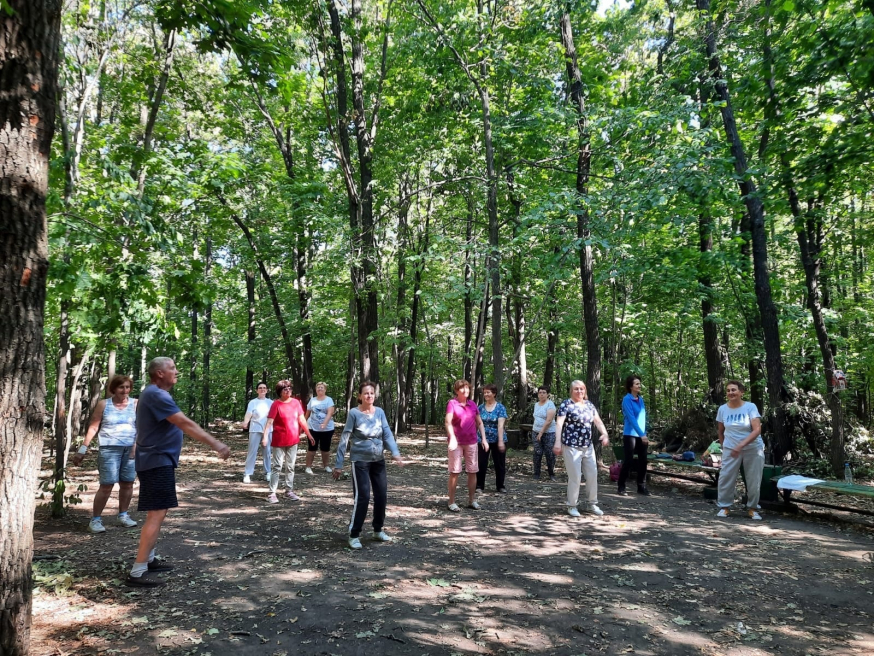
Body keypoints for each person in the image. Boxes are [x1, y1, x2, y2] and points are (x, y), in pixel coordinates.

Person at [126, 357, 230, 587]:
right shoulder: (156, 395)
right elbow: (185, 423)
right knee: (156, 514)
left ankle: (148, 559)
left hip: (157, 459)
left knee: (159, 513)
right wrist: (216, 444)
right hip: (156, 460)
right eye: (172, 368)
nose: (177, 371)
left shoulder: (154, 393)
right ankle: (137, 571)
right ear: (159, 373)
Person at [332, 381, 405, 549]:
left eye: (372, 393)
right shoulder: (354, 414)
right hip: (360, 460)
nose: (369, 395)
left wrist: (395, 453)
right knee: (363, 496)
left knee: (381, 495)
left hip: (378, 459)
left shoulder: (379, 412)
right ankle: (354, 534)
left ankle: (378, 530)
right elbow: (345, 438)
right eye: (366, 393)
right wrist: (339, 464)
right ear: (359, 396)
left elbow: (386, 434)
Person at [71, 375, 139, 533]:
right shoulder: (104, 404)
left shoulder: (136, 404)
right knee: (107, 485)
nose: (124, 390)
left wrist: (137, 446)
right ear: (113, 389)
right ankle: (95, 520)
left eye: (127, 387)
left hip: (130, 449)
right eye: (121, 387)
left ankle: (123, 515)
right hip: (109, 448)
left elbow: (141, 427)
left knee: (128, 483)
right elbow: (94, 427)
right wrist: (83, 449)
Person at [553, 380, 609, 517]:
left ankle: (592, 504)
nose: (579, 392)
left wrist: (605, 434)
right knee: (575, 477)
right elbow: (559, 424)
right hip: (571, 446)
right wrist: (557, 442)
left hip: (587, 446)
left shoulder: (589, 405)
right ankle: (572, 505)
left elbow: (598, 421)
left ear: (585, 391)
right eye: (576, 389)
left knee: (592, 475)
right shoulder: (566, 404)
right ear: (571, 391)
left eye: (582, 389)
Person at [715, 380, 764, 520]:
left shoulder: (750, 407)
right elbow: (720, 430)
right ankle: (724, 507)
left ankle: (752, 508)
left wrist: (741, 445)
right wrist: (724, 446)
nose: (731, 393)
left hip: (753, 448)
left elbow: (757, 430)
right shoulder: (723, 409)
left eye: (734, 390)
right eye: (728, 390)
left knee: (753, 479)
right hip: (731, 448)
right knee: (726, 477)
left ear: (741, 392)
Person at [263, 380, 315, 504]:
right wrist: (265, 437)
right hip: (279, 440)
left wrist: (309, 434)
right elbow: (269, 422)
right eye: (285, 389)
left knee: (290, 466)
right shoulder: (276, 404)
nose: (288, 391)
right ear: (280, 391)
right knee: (277, 466)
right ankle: (272, 493)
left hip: (293, 439)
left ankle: (288, 490)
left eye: (289, 388)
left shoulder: (296, 403)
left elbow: (302, 419)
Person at [445, 379, 487, 512]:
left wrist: (484, 439)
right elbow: (448, 422)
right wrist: (452, 438)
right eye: (462, 388)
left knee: (472, 471)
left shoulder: (473, 404)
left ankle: (472, 500)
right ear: (457, 391)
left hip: (472, 442)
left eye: (467, 388)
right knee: (455, 471)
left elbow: (479, 423)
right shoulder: (452, 403)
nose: (466, 391)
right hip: (456, 443)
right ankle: (451, 502)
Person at [617, 375, 650, 496]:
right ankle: (621, 486)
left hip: (642, 434)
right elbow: (631, 418)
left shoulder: (640, 399)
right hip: (630, 434)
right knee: (629, 461)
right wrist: (641, 434)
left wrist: (644, 433)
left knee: (643, 461)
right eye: (636, 384)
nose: (639, 386)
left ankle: (641, 486)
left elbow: (642, 418)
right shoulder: (627, 399)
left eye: (639, 383)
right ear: (631, 386)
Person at [476, 383, 508, 493]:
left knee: (499, 463)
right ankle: (479, 486)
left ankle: (500, 486)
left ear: (494, 394)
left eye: (488, 392)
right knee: (481, 463)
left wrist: (500, 442)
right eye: (484, 392)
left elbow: (500, 425)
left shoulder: (500, 407)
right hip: (482, 439)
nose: (486, 394)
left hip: (497, 438)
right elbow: (478, 423)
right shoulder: (480, 408)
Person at [241, 382, 272, 483]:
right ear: (256, 390)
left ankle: (268, 472)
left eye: (264, 388)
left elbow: (274, 417)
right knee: (252, 452)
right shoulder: (253, 402)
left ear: (267, 390)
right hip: (255, 429)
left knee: (267, 452)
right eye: (260, 388)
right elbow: (248, 413)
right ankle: (247, 473)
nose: (262, 389)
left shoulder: (271, 402)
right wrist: (245, 422)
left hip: (268, 430)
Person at [305, 382, 335, 475]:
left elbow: (330, 412)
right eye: (318, 387)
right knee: (312, 448)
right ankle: (308, 467)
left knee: (325, 448)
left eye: (322, 388)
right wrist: (303, 425)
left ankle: (326, 466)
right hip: (313, 428)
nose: (320, 389)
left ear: (325, 389)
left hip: (327, 429)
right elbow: (307, 413)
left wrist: (324, 423)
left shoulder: (329, 400)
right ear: (316, 389)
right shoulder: (312, 400)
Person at [531, 386, 557, 481]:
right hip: (535, 431)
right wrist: (537, 430)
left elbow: (549, 420)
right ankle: (536, 473)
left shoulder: (550, 405)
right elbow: (536, 418)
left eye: (544, 392)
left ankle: (551, 473)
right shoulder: (536, 405)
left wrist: (541, 432)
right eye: (540, 392)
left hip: (549, 433)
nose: (541, 394)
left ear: (547, 394)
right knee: (537, 452)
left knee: (549, 453)